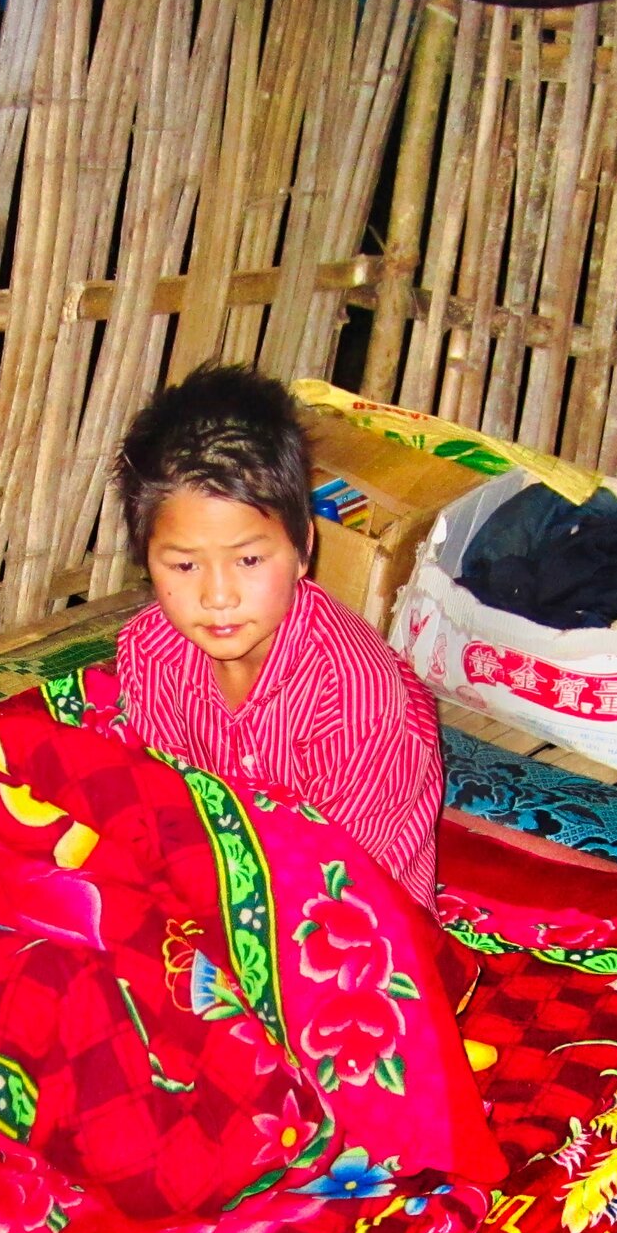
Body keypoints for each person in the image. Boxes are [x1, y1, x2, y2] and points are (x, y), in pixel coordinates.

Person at [112, 365, 444, 902]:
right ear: (147, 560)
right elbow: (168, 804)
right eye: (184, 566)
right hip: (219, 880)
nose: (218, 596)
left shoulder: (356, 696)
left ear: (302, 549)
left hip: (354, 916)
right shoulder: (150, 652)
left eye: (247, 559)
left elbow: (347, 882)